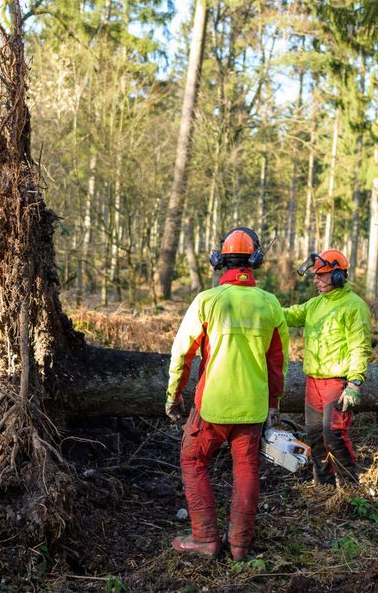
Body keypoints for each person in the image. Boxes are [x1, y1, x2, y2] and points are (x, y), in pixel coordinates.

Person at [165, 227, 288, 561]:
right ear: (255, 260)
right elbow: (277, 362)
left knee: (193, 459)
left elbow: (182, 354)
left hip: (213, 405)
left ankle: (205, 538)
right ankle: (239, 545)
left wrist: (174, 396)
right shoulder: (270, 304)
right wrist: (273, 403)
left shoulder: (207, 301)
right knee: (246, 468)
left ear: (220, 260)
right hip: (253, 406)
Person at [283, 249, 372, 486]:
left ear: (338, 276)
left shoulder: (354, 306)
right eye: (315, 275)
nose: (316, 280)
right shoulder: (315, 304)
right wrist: (264, 305)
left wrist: (355, 383)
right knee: (315, 436)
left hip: (337, 382)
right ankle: (324, 487)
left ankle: (351, 487)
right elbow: (289, 315)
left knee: (333, 433)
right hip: (314, 381)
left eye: (321, 275)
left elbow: (360, 346)